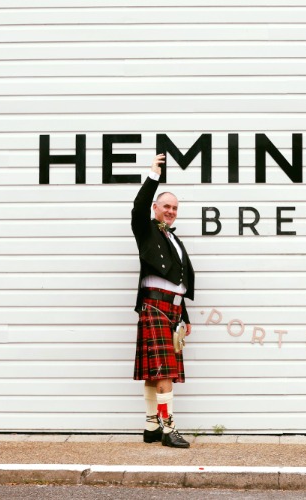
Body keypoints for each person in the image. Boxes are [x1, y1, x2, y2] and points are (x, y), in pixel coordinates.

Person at [131, 153, 195, 449]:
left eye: (174, 208)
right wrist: (153, 174)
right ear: (156, 208)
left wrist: (185, 317)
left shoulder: (174, 239)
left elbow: (180, 282)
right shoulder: (146, 231)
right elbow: (138, 206)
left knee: (154, 370)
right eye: (166, 206)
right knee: (165, 371)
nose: (170, 211)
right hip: (155, 305)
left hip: (173, 308)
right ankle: (168, 428)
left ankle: (150, 426)